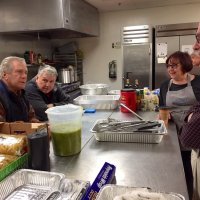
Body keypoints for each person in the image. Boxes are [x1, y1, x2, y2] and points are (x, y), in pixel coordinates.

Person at [159, 51, 200, 200]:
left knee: (194, 172)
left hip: (195, 136)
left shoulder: (198, 82)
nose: (171, 69)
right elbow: (162, 107)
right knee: (179, 170)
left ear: (185, 65)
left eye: (174, 65)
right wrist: (165, 114)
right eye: (168, 66)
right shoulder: (165, 86)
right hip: (174, 135)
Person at [180, 22, 200, 200]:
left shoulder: (197, 81)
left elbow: (190, 136)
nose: (195, 46)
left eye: (199, 38)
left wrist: (190, 118)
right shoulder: (166, 85)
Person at [0, 56, 38, 122]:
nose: (24, 76)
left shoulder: (21, 93)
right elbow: (2, 128)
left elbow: (31, 117)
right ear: (5, 75)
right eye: (19, 72)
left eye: (26, 73)